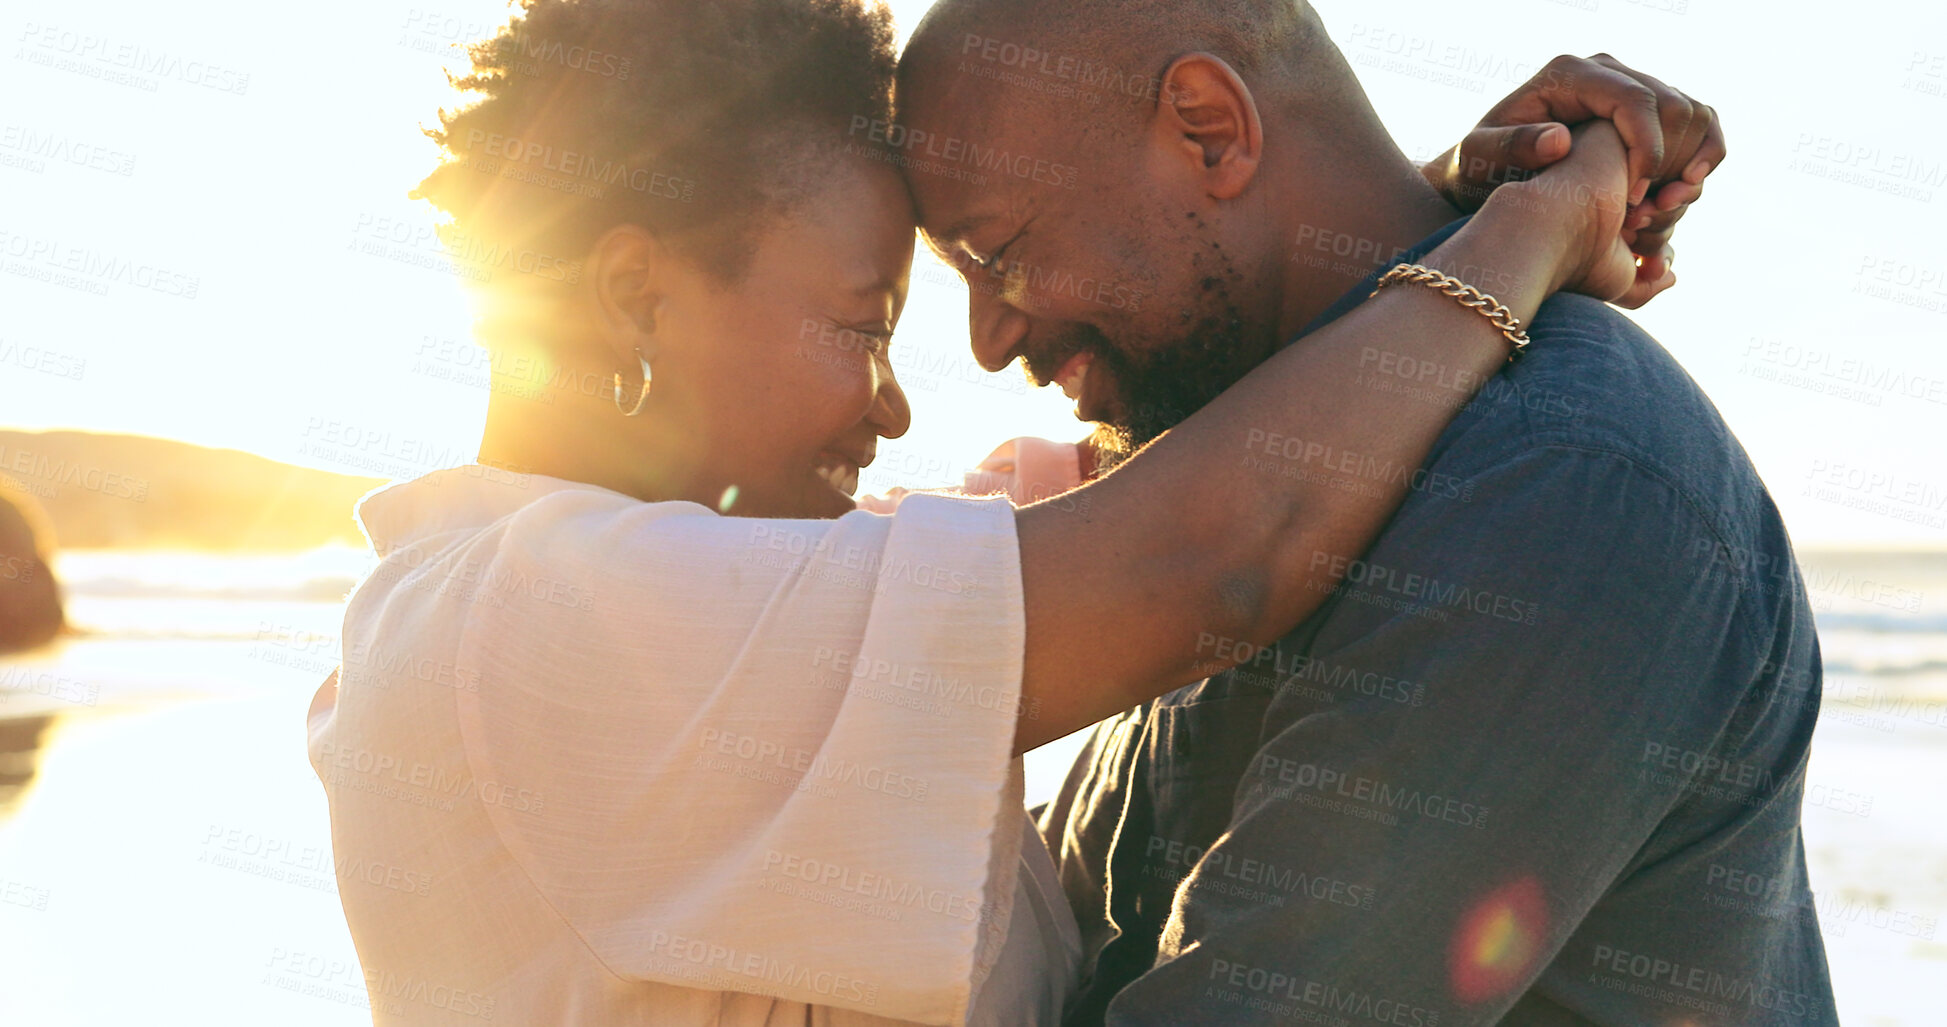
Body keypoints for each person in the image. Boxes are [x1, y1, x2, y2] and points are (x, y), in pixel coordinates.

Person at [305, 1, 1717, 1024]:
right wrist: (1537, 219)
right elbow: (1201, 553)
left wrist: (1400, 210)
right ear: (633, 298)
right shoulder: (541, 620)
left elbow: (1149, 458)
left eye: (995, 261)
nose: (901, 400)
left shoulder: (713, 602)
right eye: (864, 322)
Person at [893, 1, 1836, 1024]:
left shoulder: (1553, 477)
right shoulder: (1245, 479)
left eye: (997, 254)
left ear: (1211, 129)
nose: (989, 340)